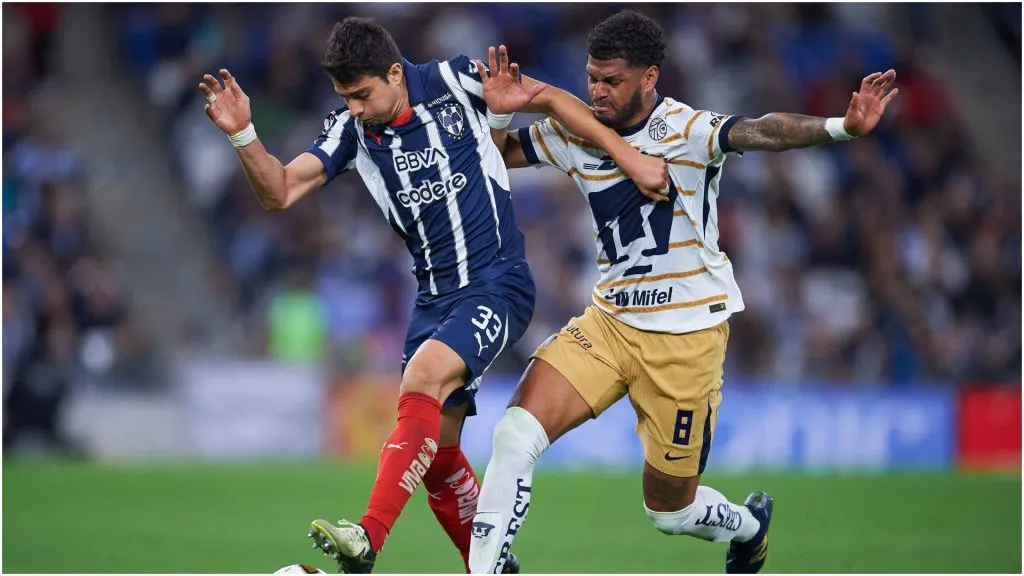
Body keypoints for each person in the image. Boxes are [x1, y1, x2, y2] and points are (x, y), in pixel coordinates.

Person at [198, 16, 669, 574]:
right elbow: (278, 190)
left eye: (362, 95)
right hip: (434, 302)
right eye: (344, 97)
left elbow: (549, 100)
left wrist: (629, 157)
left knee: (421, 381)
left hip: (498, 283)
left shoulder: (454, 81)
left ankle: (366, 539)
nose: (353, 108)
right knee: (440, 456)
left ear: (395, 73)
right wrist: (242, 135)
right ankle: (490, 567)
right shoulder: (351, 131)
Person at [468, 10, 897, 574]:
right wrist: (496, 115)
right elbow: (499, 155)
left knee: (669, 512)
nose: (597, 91)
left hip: (686, 337)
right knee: (515, 431)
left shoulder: (688, 131)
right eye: (592, 77)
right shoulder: (573, 129)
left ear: (649, 77)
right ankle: (483, 567)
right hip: (610, 322)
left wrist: (841, 126)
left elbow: (763, 129)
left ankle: (748, 525)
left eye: (612, 80)